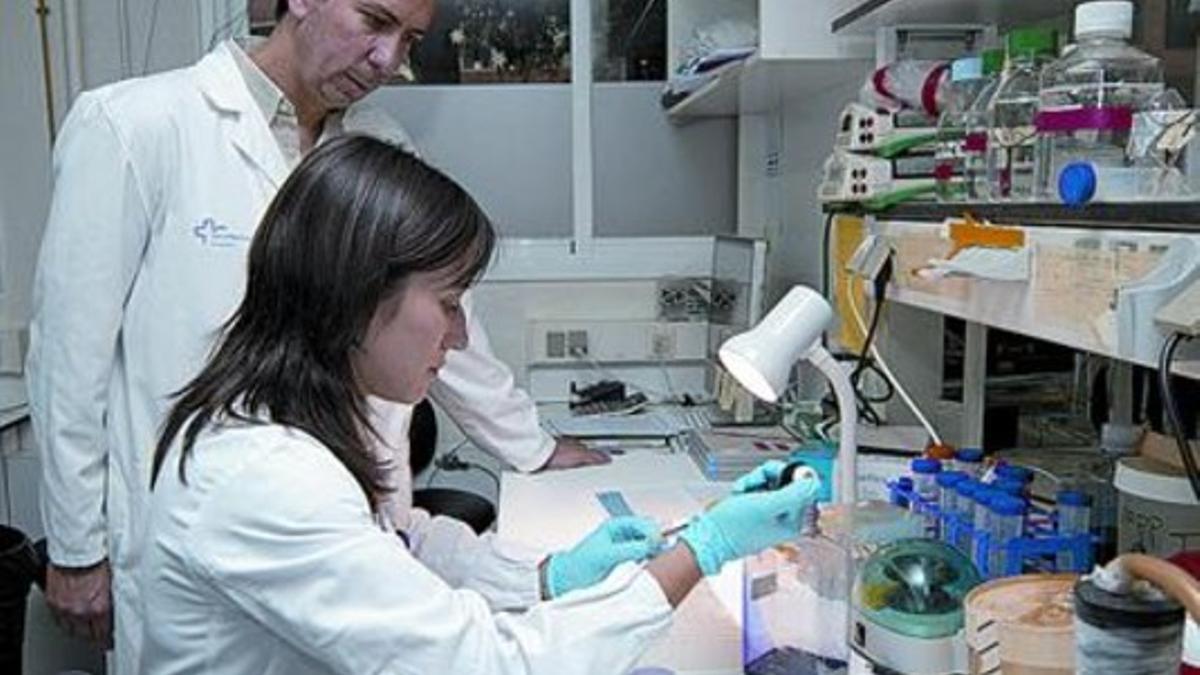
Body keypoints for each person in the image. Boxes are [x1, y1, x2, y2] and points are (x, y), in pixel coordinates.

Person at [26, 0, 605, 671]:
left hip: (343, 516)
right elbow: (70, 358)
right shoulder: (136, 126)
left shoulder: (380, 145)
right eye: (374, 21)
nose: (389, 61)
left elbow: (448, 323)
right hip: (194, 530)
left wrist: (530, 444)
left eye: (410, 39)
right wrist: (76, 547)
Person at [143, 134, 820, 675]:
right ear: (355, 292)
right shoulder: (265, 478)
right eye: (448, 304)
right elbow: (482, 663)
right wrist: (702, 549)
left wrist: (549, 574)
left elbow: (395, 545)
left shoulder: (308, 418)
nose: (461, 334)